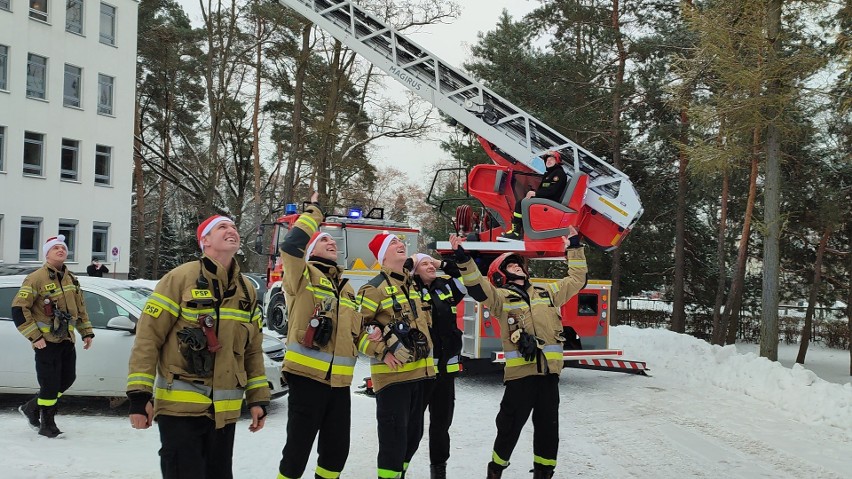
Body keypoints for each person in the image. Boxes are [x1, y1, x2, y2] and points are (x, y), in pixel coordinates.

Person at [126, 215, 269, 479]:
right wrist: (139, 396)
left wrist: (257, 398)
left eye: (234, 227)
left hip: (223, 414)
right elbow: (148, 337)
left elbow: (252, 350)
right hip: (180, 409)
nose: (232, 231)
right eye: (223, 227)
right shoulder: (180, 278)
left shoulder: (246, 290)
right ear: (205, 240)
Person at [451, 227, 587, 479]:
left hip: (548, 376)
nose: (517, 267)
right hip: (520, 377)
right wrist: (463, 258)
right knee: (509, 427)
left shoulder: (547, 293)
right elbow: (477, 286)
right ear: (501, 274)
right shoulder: (500, 297)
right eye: (511, 265)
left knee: (548, 430)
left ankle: (544, 473)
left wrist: (575, 247)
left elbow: (577, 279)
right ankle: (495, 470)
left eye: (518, 264)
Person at [276, 192, 361, 479]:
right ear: (311, 250)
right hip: (307, 378)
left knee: (336, 452)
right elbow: (290, 246)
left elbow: (354, 331)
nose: (331, 242)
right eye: (324, 239)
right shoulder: (301, 276)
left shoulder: (346, 287)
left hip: (339, 383)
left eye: (332, 240)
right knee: (297, 450)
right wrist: (314, 213)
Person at [357, 232, 435, 479]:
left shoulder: (411, 285)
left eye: (401, 242)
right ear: (382, 255)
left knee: (413, 438)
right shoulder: (373, 289)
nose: (401, 244)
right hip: (393, 378)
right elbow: (354, 330)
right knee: (393, 441)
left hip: (421, 375)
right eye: (393, 243)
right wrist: (381, 351)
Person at [11, 234, 94, 438]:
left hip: (66, 340)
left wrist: (86, 332)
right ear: (46, 254)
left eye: (63, 248)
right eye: (55, 248)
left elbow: (80, 309)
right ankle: (47, 424)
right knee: (49, 384)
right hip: (45, 343)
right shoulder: (35, 278)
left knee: (67, 378)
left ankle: (32, 406)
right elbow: (19, 309)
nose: (60, 250)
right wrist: (35, 337)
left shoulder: (71, 278)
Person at [407, 253, 465, 479]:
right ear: (414, 271)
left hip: (445, 373)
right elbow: (396, 276)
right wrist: (409, 263)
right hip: (421, 372)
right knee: (413, 426)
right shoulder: (409, 288)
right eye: (425, 263)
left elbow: (466, 274)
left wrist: (442, 263)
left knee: (441, 426)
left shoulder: (446, 288)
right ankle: (400, 466)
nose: (431, 266)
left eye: (432, 262)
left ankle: (438, 469)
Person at [500, 151, 567, 241]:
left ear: (557, 161)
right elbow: (544, 190)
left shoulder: (558, 174)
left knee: (520, 203)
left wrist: (535, 194)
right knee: (522, 202)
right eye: (547, 160)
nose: (548, 161)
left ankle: (516, 232)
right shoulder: (550, 174)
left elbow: (552, 191)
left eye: (551, 159)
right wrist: (534, 192)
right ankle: (518, 230)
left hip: (550, 202)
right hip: (547, 200)